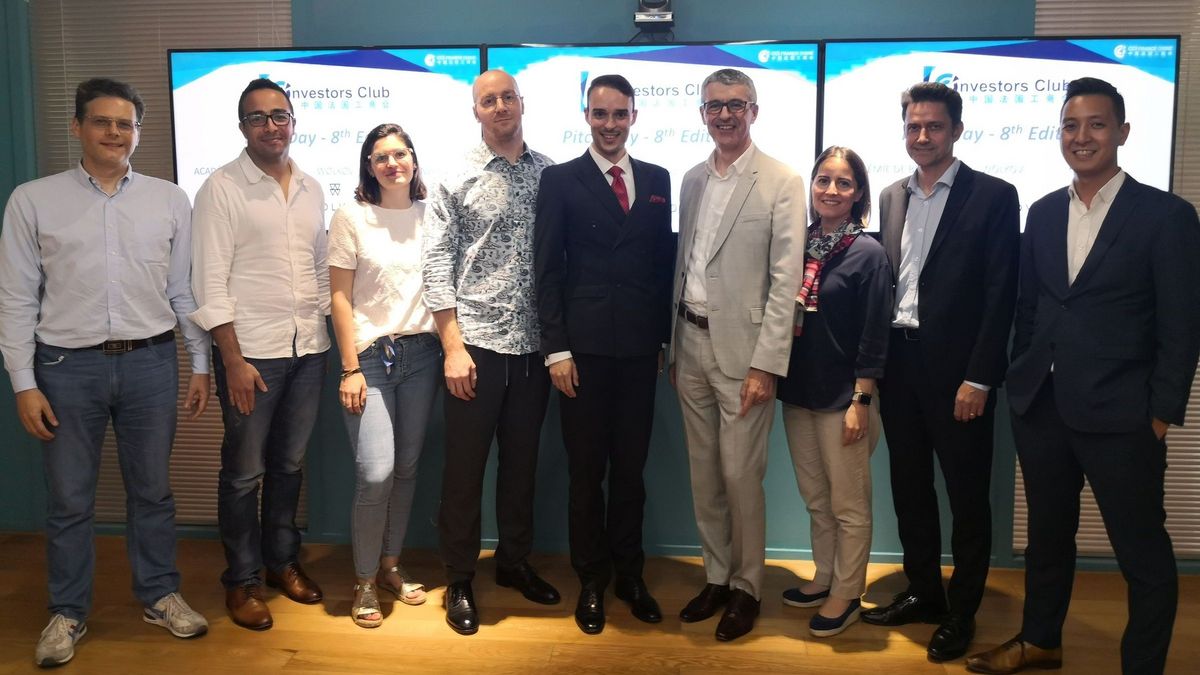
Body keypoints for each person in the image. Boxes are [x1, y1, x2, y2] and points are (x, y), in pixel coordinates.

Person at [967, 78, 1200, 675]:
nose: (1082, 136)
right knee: (1047, 539)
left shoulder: (1167, 216)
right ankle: (1040, 640)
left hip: (1124, 416)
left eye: (1097, 124)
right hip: (1043, 408)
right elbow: (1032, 307)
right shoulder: (1043, 211)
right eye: (1071, 125)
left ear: (1122, 132)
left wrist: (1160, 414)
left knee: (1142, 554)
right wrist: (1023, 379)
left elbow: (1181, 325)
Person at [0, 77, 209, 667]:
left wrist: (199, 363)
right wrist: (23, 383)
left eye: (125, 124)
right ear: (78, 127)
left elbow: (182, 290)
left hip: (151, 363)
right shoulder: (33, 200)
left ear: (137, 132)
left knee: (153, 491)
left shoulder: (170, 199)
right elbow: (16, 298)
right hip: (65, 368)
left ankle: (159, 595)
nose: (114, 133)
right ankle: (67, 611)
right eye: (102, 121)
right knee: (69, 500)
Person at [863, 82, 1020, 663]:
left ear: (956, 130)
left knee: (967, 496)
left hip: (960, 375)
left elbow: (1002, 294)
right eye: (913, 126)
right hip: (899, 365)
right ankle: (924, 591)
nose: (922, 136)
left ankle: (963, 611)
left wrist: (980, 378)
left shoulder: (994, 195)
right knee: (910, 488)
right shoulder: (891, 196)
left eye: (933, 126)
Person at [533, 74, 675, 635]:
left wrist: (661, 339)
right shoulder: (559, 180)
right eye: (600, 114)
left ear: (634, 116)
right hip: (582, 354)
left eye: (619, 114)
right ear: (586, 116)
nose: (610, 124)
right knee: (587, 472)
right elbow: (546, 270)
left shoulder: (658, 179)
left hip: (639, 351)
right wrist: (556, 350)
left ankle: (629, 577)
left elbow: (661, 268)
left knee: (632, 472)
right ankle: (591, 579)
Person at [670, 68, 805, 642]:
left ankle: (748, 587)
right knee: (704, 475)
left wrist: (766, 365)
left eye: (735, 104)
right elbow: (685, 265)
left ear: (754, 110)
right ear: (702, 113)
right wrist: (672, 347)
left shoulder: (782, 181)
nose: (724, 115)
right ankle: (717, 577)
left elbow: (786, 282)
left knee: (741, 476)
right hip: (689, 344)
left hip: (746, 356)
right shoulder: (692, 179)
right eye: (714, 105)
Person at [190, 78, 329, 631]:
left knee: (289, 465)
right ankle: (242, 580)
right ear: (242, 126)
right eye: (258, 117)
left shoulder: (312, 187)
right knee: (244, 473)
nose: (271, 125)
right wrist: (231, 359)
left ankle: (280, 562)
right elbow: (209, 280)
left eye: (280, 115)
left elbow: (320, 269)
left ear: (293, 121)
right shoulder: (221, 188)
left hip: (309, 349)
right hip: (252, 356)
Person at [423, 69, 558, 636]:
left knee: (521, 467)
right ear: (476, 111)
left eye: (507, 97)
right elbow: (436, 265)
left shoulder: (551, 174)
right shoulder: (454, 175)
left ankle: (514, 562)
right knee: (464, 472)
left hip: (535, 349)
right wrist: (452, 348)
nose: (500, 107)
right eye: (488, 100)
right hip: (475, 347)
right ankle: (459, 577)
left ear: (521, 103)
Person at [328, 123, 441, 628]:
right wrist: (350, 368)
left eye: (400, 154)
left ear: (413, 160)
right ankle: (365, 580)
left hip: (422, 355)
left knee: (407, 468)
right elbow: (339, 298)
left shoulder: (431, 215)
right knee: (376, 473)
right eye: (381, 157)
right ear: (368, 167)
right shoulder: (351, 216)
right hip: (369, 359)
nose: (392, 164)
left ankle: (391, 566)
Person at [776, 146, 892, 637]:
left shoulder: (868, 254)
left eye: (844, 183)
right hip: (798, 393)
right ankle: (824, 576)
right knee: (816, 498)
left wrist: (861, 399)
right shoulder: (797, 245)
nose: (831, 190)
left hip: (845, 399)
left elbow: (875, 334)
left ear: (858, 193)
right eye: (823, 180)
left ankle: (847, 592)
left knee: (849, 505)